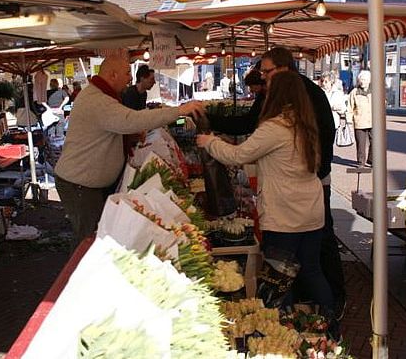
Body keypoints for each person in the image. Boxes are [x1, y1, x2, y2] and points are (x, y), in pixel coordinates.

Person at [196, 71, 336, 337]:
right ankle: (329, 328)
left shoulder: (275, 127)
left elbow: (238, 154)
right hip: (310, 212)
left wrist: (210, 141)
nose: (264, 91)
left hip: (285, 214)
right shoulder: (308, 124)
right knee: (312, 271)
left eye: (269, 87)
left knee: (280, 279)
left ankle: (284, 334)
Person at [54, 55, 205, 247]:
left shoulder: (103, 96)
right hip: (80, 185)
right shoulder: (98, 100)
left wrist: (130, 137)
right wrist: (179, 111)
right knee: (90, 240)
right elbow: (131, 120)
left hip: (88, 184)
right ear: (113, 74)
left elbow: (112, 128)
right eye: (127, 73)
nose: (129, 79)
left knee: (100, 233)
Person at [260, 46, 346, 320]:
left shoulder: (308, 95)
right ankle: (323, 310)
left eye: (267, 71)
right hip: (306, 190)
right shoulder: (291, 99)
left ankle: (333, 302)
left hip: (309, 189)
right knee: (308, 262)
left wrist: (316, 173)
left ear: (283, 68)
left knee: (319, 249)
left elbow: (326, 136)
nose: (263, 77)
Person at [207, 65, 266, 135]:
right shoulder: (262, 96)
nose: (251, 90)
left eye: (251, 86)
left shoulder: (264, 98)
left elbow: (249, 123)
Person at [348, 70, 373, 167]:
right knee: (361, 144)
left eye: (365, 79)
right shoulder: (354, 92)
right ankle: (360, 162)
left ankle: (371, 160)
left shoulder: (375, 91)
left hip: (373, 121)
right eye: (361, 79)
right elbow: (349, 107)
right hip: (359, 121)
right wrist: (349, 120)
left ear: (369, 81)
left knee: (375, 142)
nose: (362, 81)